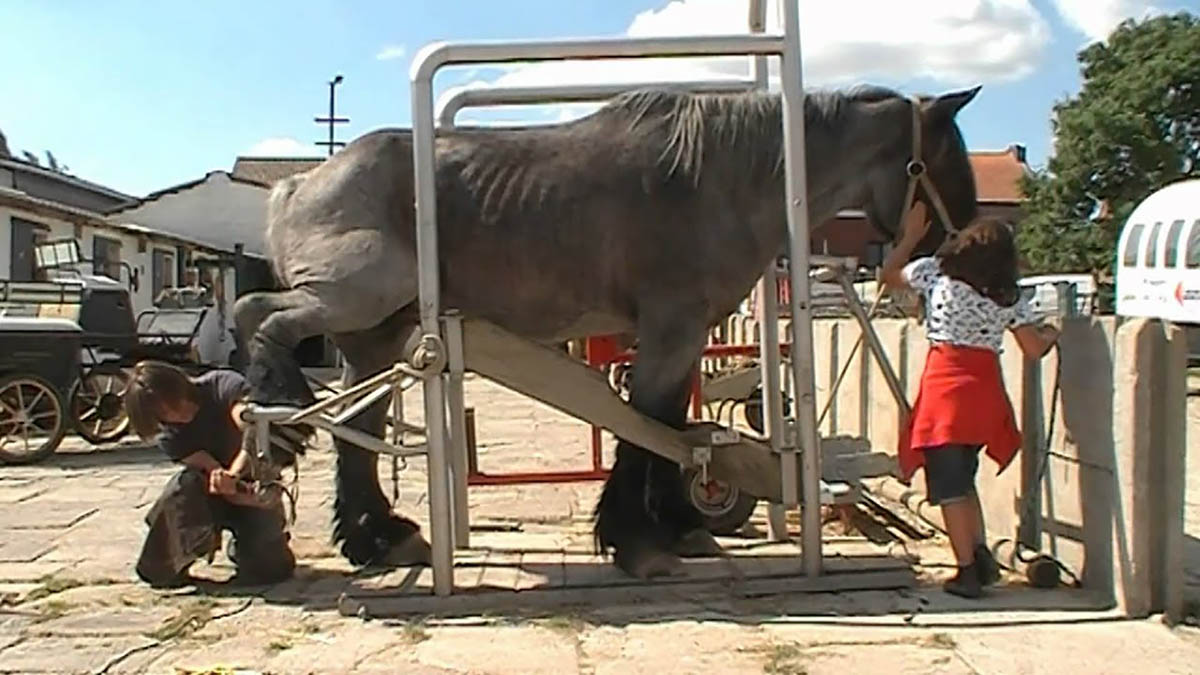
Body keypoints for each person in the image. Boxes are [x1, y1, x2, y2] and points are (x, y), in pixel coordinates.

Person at [880, 203, 1060, 599]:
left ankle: (967, 571)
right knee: (964, 477)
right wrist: (1052, 332)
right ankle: (979, 557)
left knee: (949, 486)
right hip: (984, 392)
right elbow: (1032, 348)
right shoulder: (1007, 297)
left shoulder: (936, 275)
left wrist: (909, 237)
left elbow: (889, 276)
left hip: (945, 390)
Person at [125, 360, 296, 588]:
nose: (174, 414)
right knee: (184, 484)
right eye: (163, 413)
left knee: (270, 569)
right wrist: (226, 482)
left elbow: (252, 428)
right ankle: (172, 558)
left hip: (253, 488)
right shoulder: (169, 435)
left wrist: (238, 477)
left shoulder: (220, 385)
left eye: (174, 404)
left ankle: (247, 549)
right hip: (209, 494)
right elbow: (209, 467)